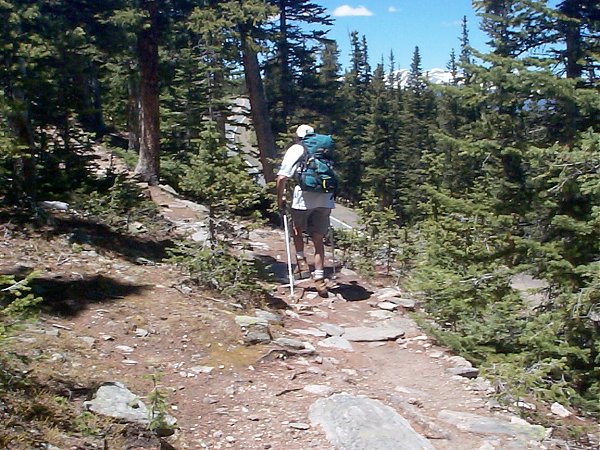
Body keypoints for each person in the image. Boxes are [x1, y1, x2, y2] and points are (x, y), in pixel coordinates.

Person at [276, 124, 335, 297]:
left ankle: (301, 261)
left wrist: (279, 200)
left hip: (303, 198)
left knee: (297, 228)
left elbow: (281, 178)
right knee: (318, 238)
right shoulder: (324, 149)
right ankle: (319, 278)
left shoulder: (296, 148)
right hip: (326, 198)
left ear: (298, 137)